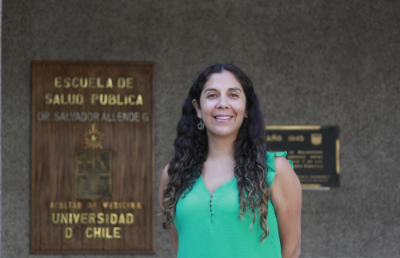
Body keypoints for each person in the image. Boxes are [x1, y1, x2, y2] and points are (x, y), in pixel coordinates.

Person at [159, 64, 302, 258]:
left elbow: (291, 251)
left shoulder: (275, 170)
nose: (223, 103)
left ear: (246, 110)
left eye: (233, 95)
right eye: (212, 95)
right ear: (198, 109)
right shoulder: (173, 175)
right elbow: (181, 246)